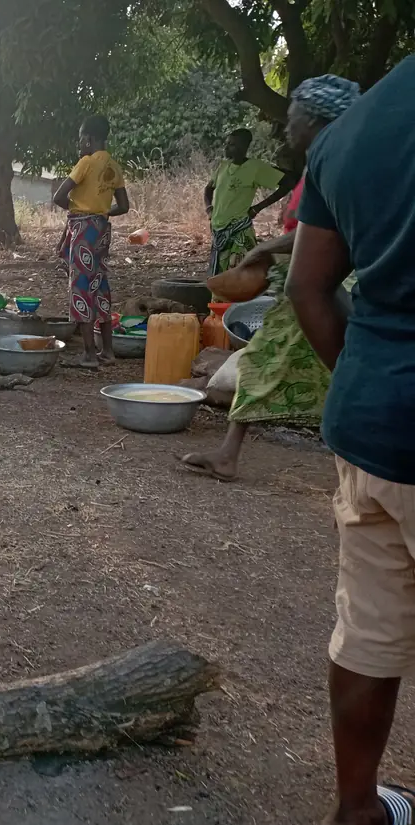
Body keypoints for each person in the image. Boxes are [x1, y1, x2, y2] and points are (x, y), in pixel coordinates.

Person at [285, 56, 415, 825]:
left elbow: (308, 286)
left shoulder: (355, 130)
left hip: (370, 426)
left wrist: (372, 382)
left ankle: (358, 808)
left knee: (368, 630)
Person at [180, 75, 360, 482]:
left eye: (292, 117)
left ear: (315, 119)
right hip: (305, 286)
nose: (286, 127)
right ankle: (229, 454)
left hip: (322, 288)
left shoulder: (336, 164)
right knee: (279, 362)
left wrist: (264, 249)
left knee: (326, 366)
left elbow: (328, 230)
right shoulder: (323, 163)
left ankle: (363, 458)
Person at [53, 114, 130, 368]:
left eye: (80, 139)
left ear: (88, 139)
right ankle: (107, 351)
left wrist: (79, 210)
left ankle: (88, 354)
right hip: (101, 230)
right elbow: (124, 206)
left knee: (81, 286)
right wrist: (100, 212)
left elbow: (58, 196)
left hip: (83, 230)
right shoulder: (114, 167)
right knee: (99, 284)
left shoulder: (85, 163)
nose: (79, 144)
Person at [205, 128, 296, 276]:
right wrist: (209, 209)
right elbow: (208, 189)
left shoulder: (255, 167)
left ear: (244, 147)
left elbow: (288, 183)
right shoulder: (223, 166)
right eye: (227, 144)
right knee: (221, 276)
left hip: (239, 230)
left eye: (232, 145)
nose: (226, 148)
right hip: (218, 230)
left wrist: (257, 208)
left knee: (241, 275)